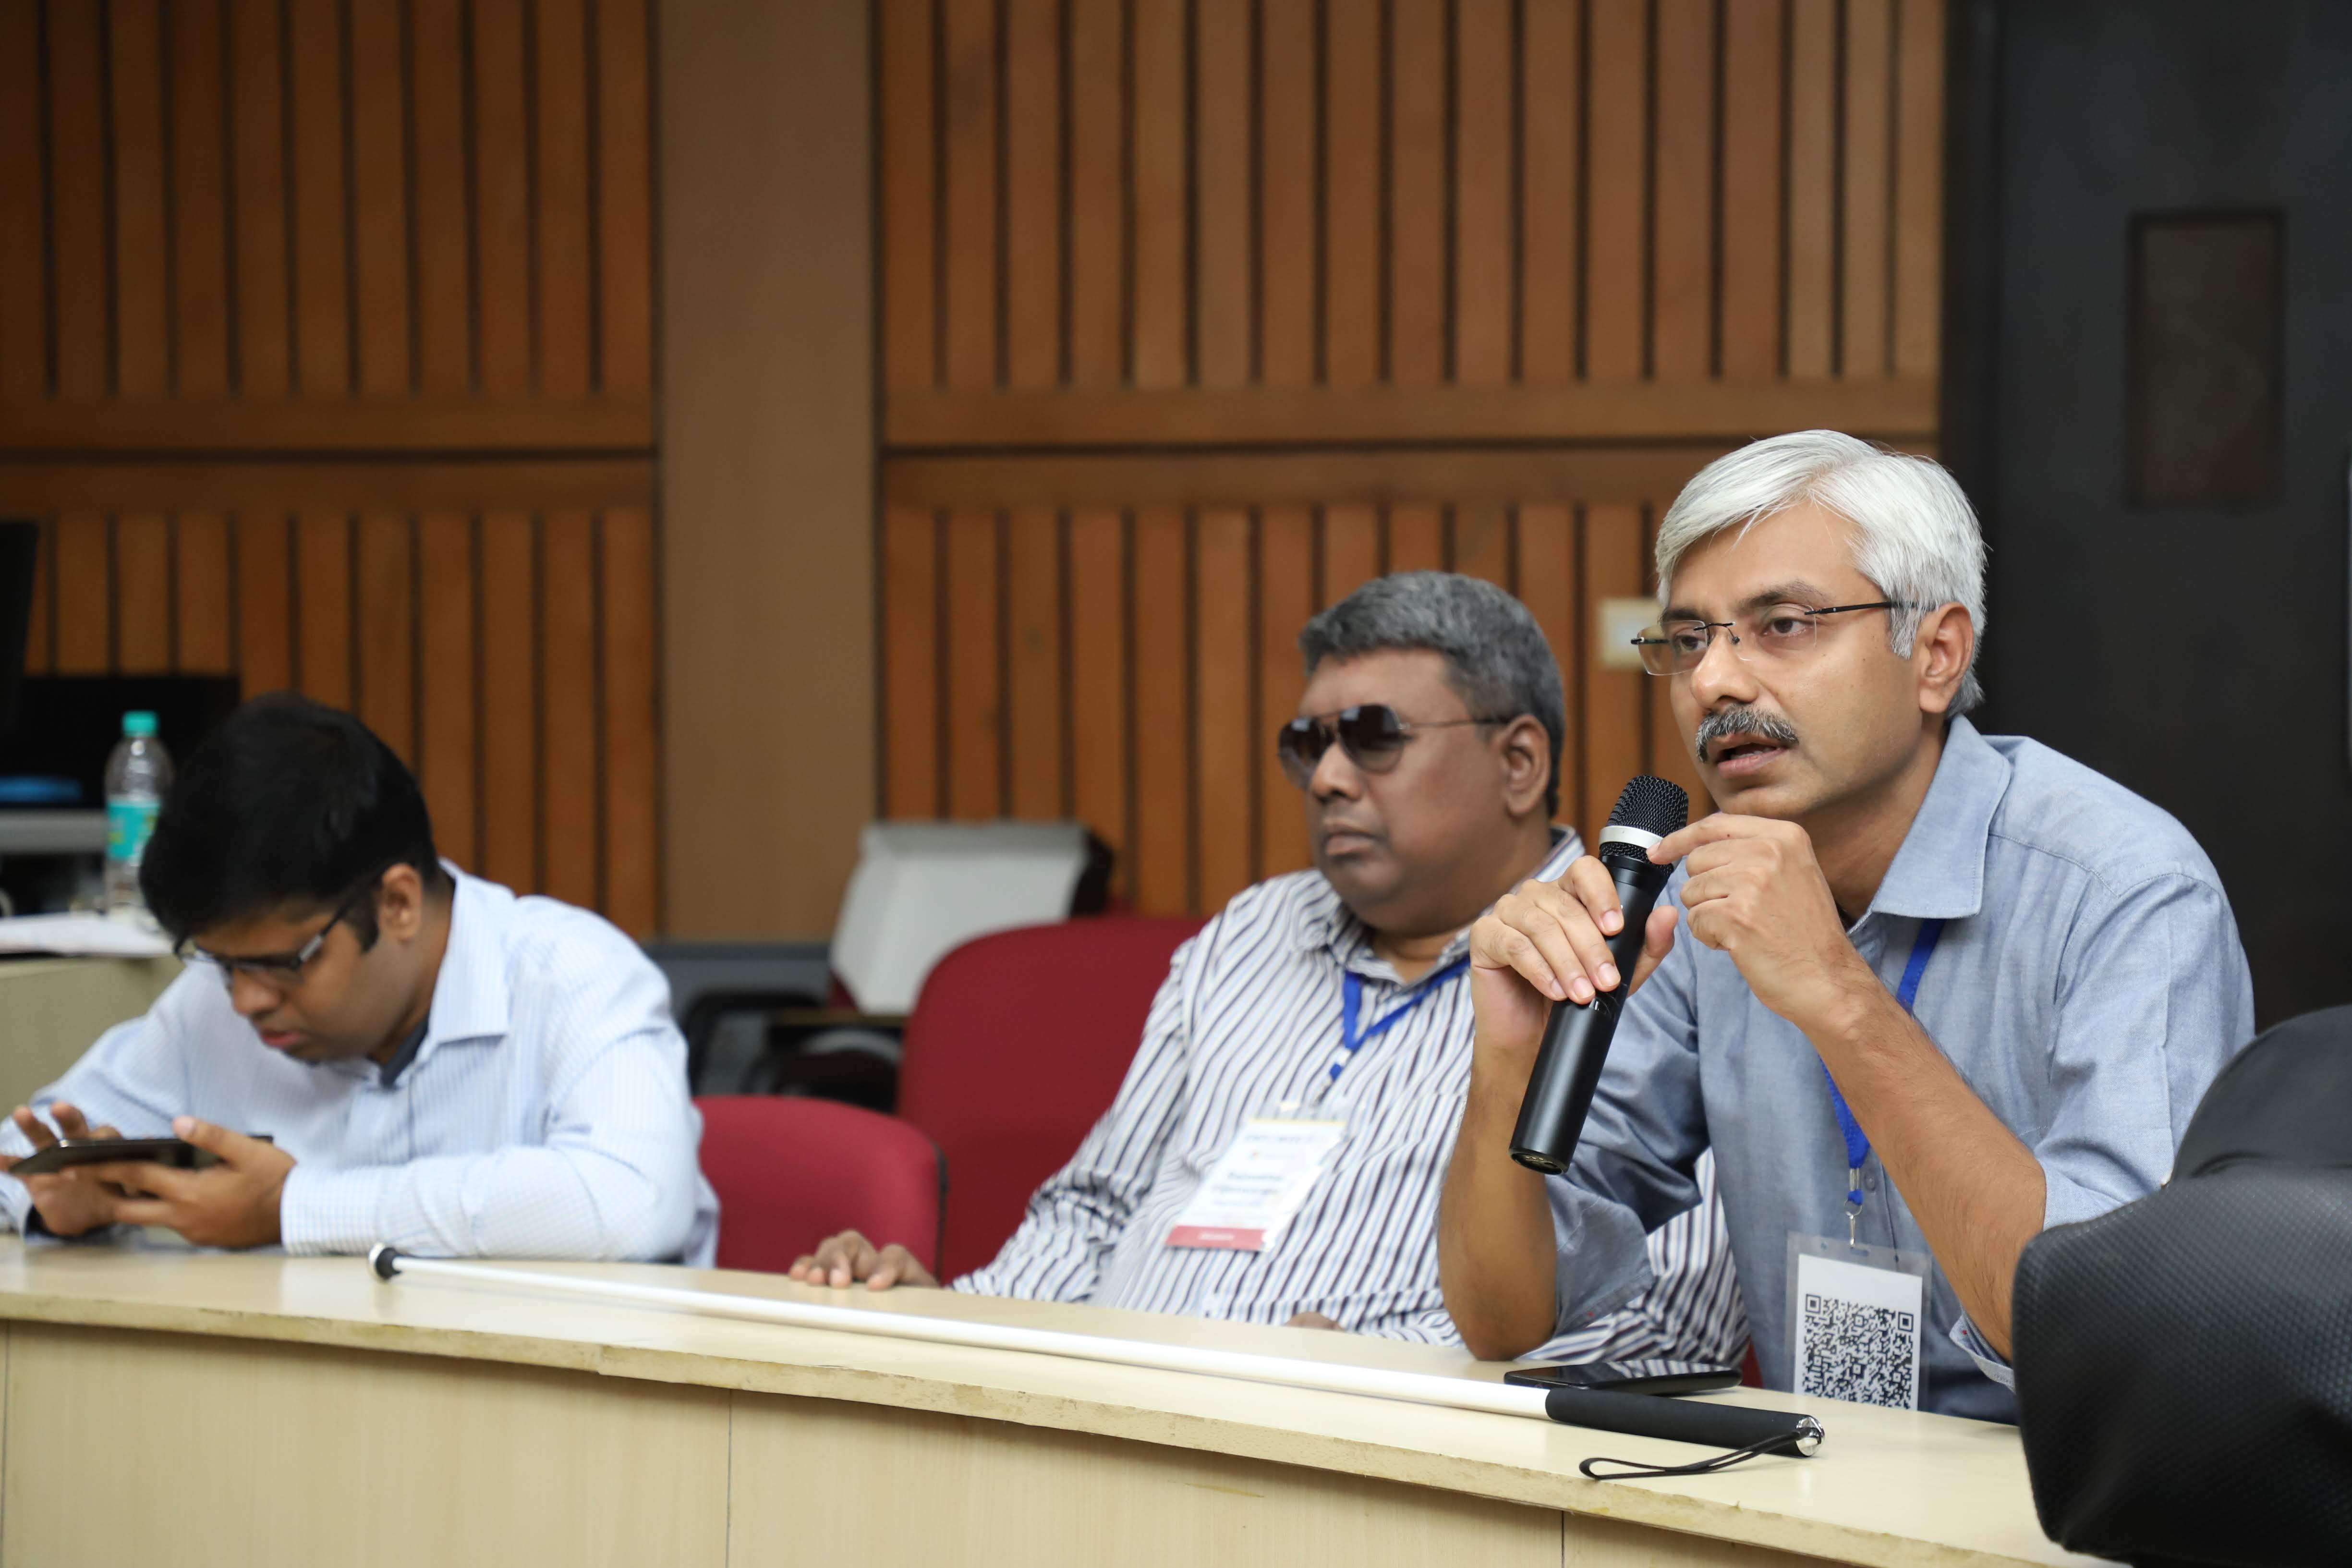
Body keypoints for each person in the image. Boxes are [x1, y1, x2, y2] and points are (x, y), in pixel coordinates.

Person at [1438, 431, 2254, 1418]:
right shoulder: (1697, 904)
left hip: (2060, 1491)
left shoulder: (2123, 889)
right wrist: (1506, 1066)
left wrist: (1837, 993)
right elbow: (1504, 1317)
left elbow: (2114, 1327)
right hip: (1817, 1480)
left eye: (1781, 625)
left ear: (1935, 656)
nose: (1713, 682)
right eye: (1689, 640)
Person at [793, 572, 1743, 1357]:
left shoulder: (1645, 947)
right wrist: (946, 1320)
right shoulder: (1251, 930)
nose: (1327, 778)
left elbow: (1660, 1319)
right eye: (1307, 745)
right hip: (1103, 1427)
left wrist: (1385, 1371)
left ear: (1519, 763)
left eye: (1373, 738)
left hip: (1382, 1469)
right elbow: (1093, 1210)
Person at [0, 694, 716, 1264]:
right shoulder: (213, 1005)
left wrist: (293, 1207)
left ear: (397, 903)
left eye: (283, 963)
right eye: (223, 964)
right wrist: (62, 1206)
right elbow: (18, 1158)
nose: (246, 1000)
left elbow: (633, 1200)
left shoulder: (574, 978)